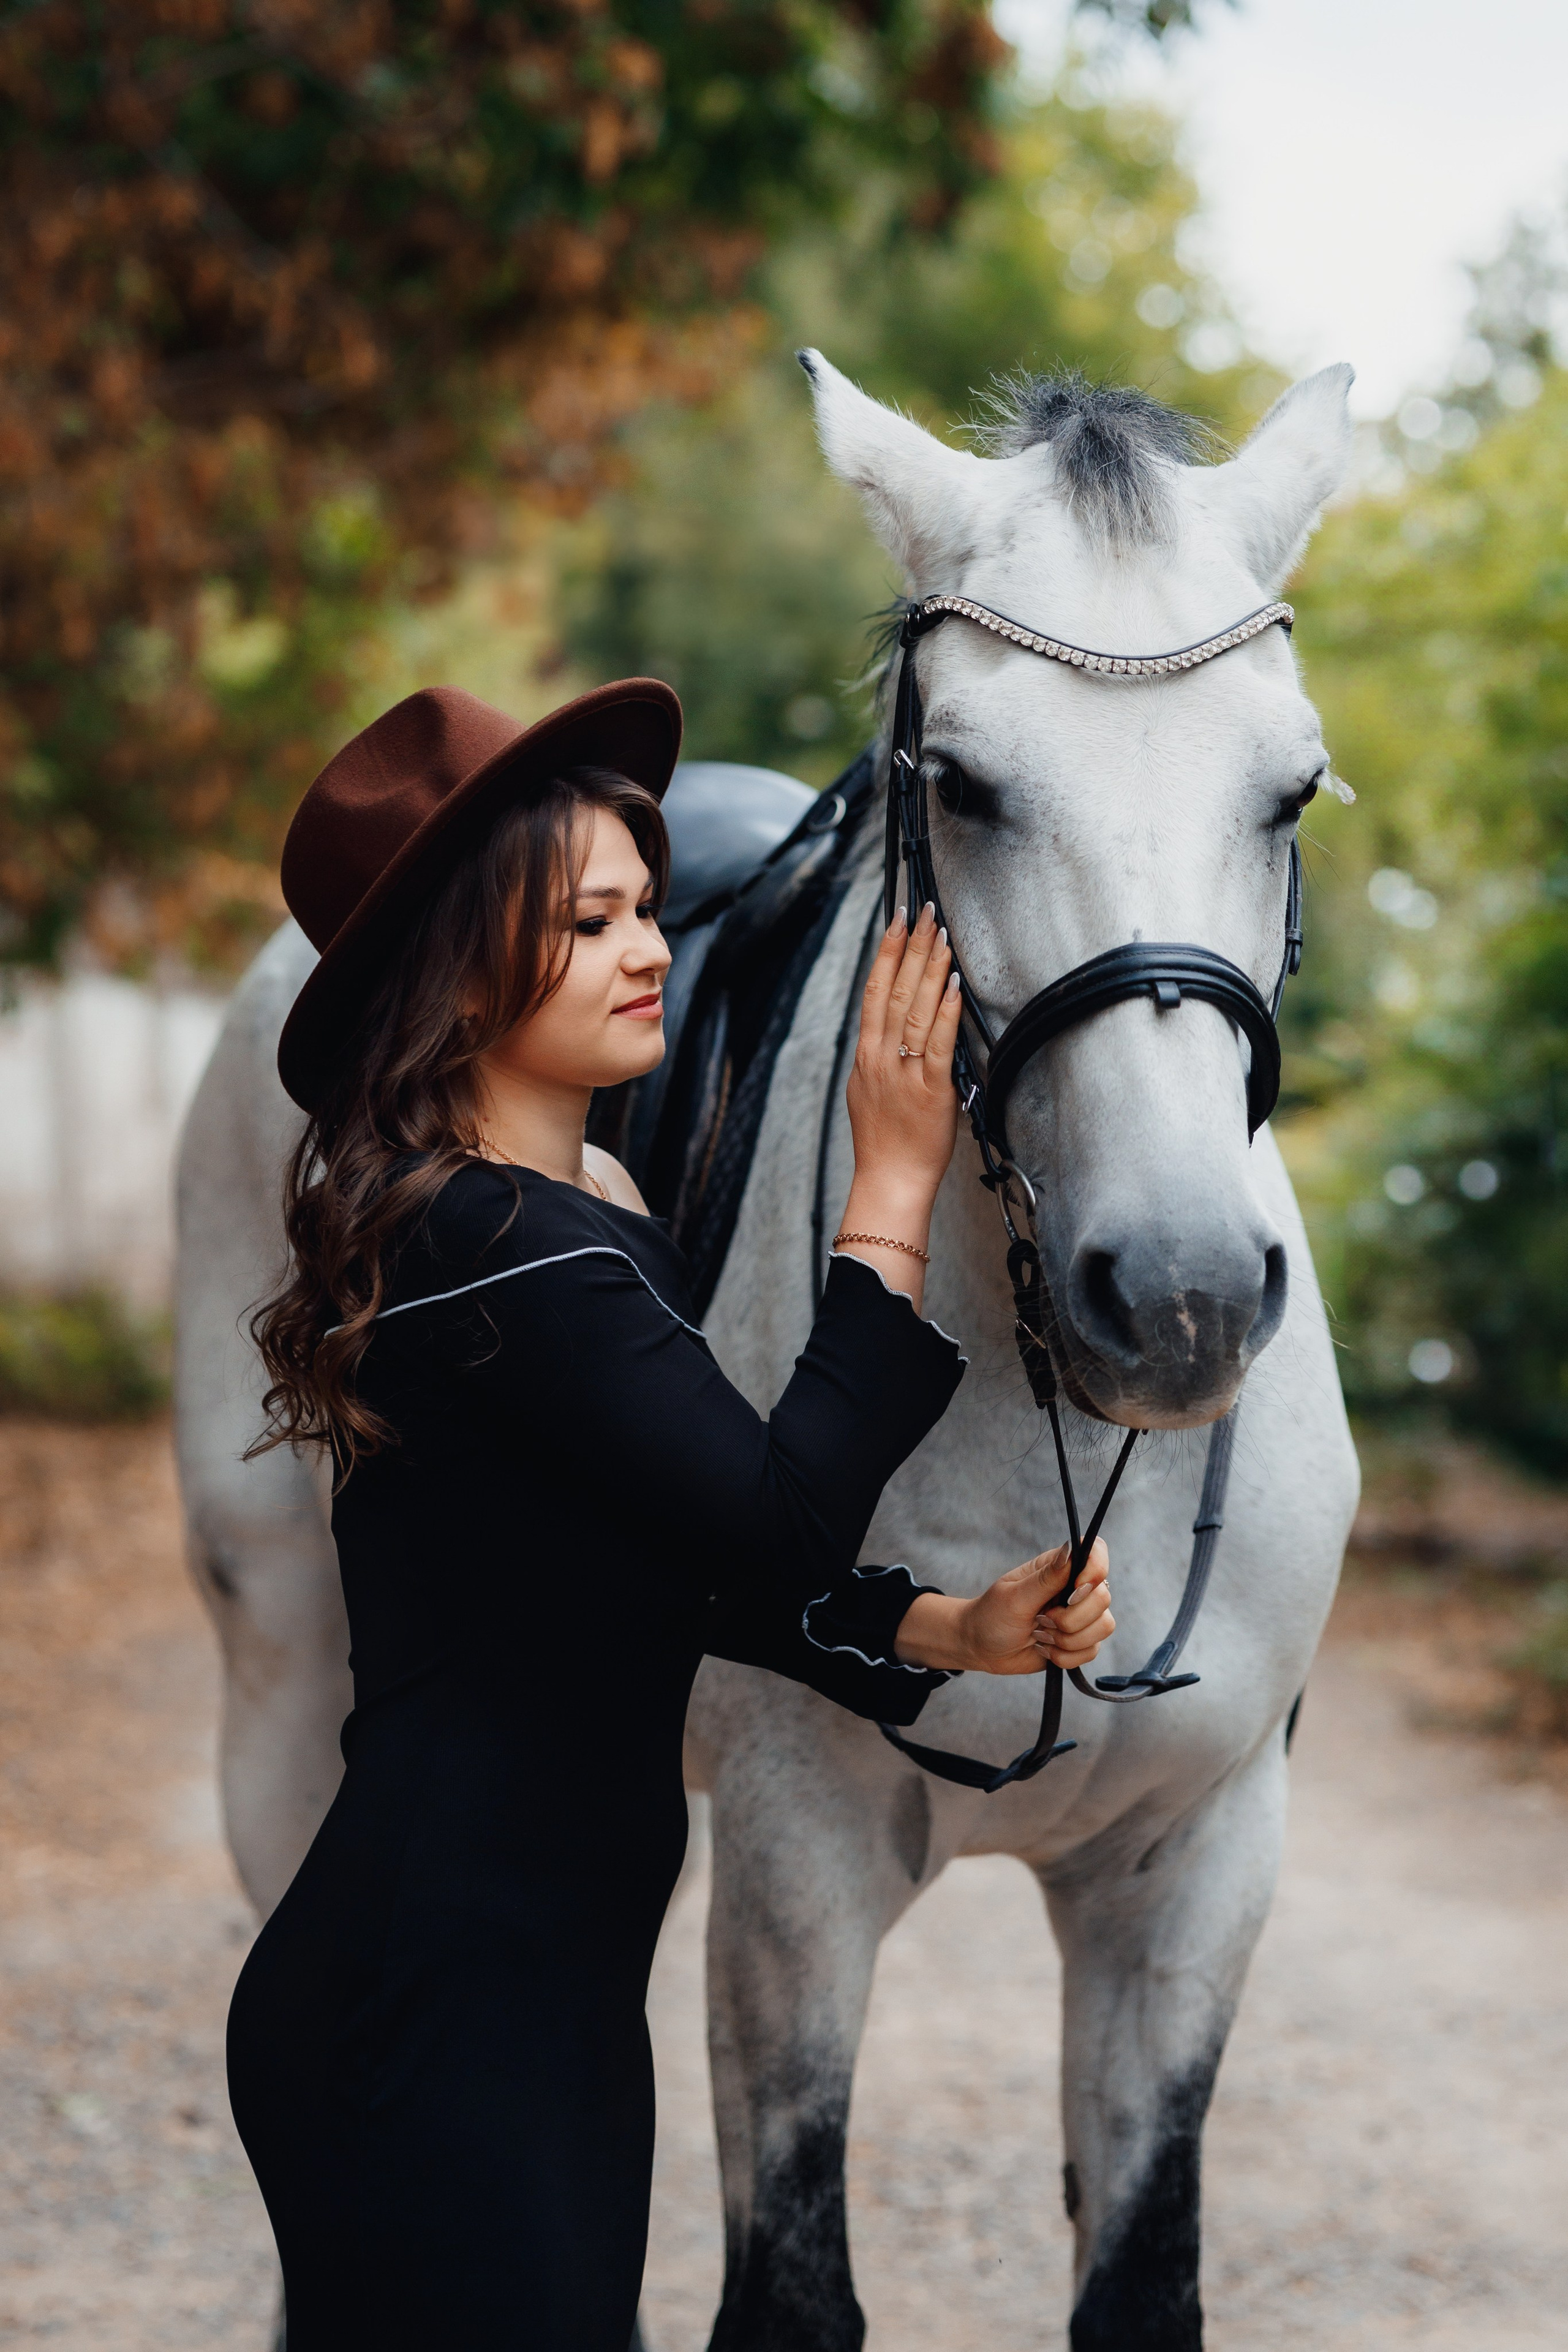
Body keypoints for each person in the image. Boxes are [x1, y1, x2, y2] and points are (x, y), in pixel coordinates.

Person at [229, 679, 1115, 2351]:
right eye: (587, 922)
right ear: (458, 965)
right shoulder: (504, 1248)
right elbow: (777, 1519)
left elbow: (670, 1566)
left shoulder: (584, 1212)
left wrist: (937, 1628)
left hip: (538, 1986)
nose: (648, 949)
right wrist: (896, 1189)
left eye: (646, 908)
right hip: (439, 1997)